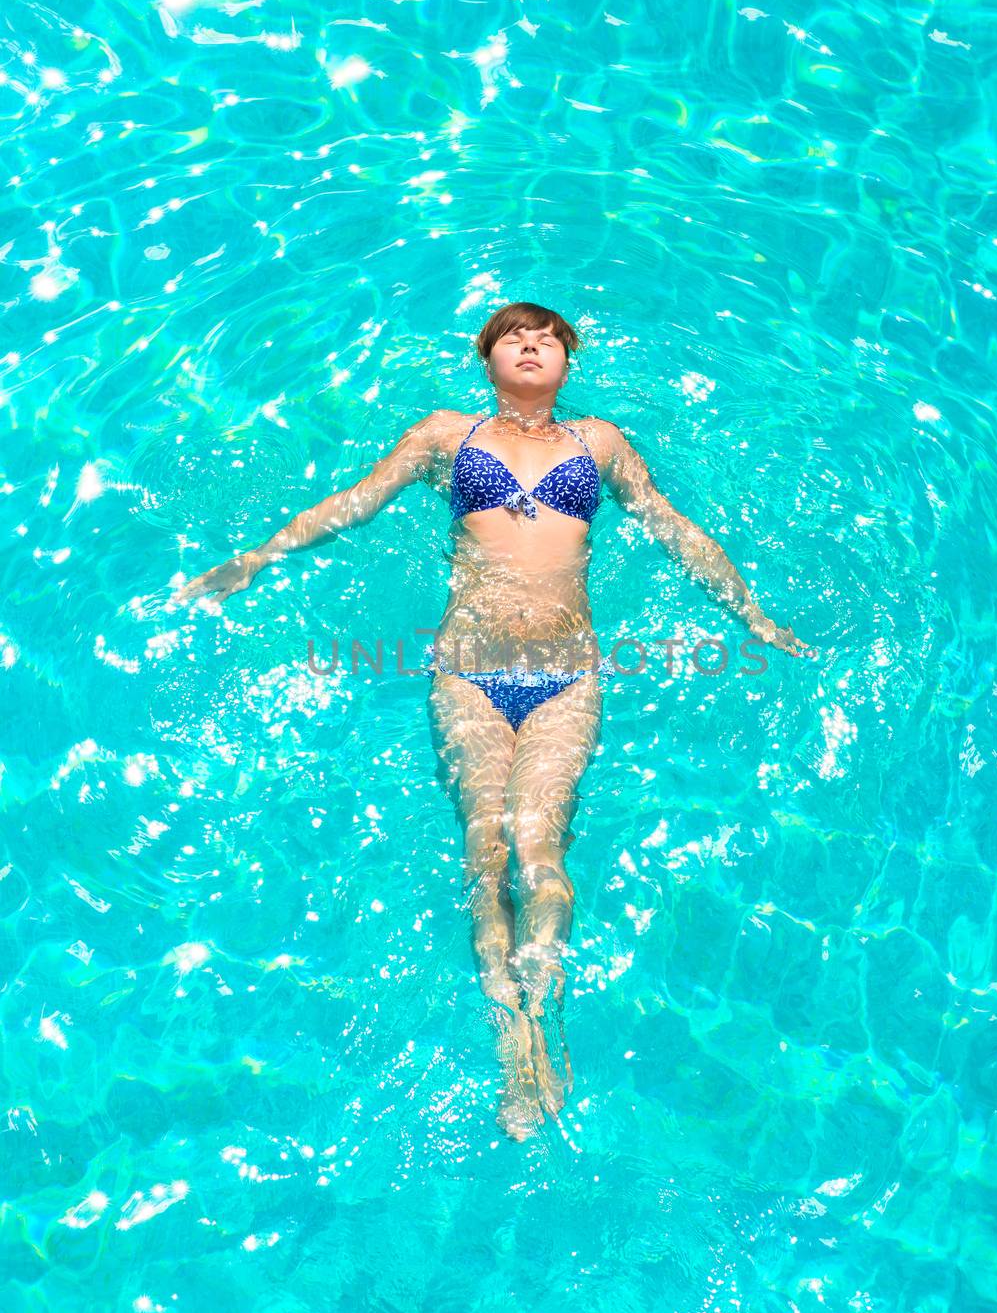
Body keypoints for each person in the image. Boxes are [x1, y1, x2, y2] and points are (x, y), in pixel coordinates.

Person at [173, 301, 817, 1141]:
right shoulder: (447, 434)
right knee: (486, 851)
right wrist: (259, 556)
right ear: (487, 358)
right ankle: (513, 1046)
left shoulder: (601, 443)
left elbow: (671, 528)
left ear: (567, 364)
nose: (530, 344)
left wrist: (751, 613)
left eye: (547, 338)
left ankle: (545, 1009)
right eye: (514, 335)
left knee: (538, 847)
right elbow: (358, 500)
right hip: (469, 675)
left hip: (566, 678)